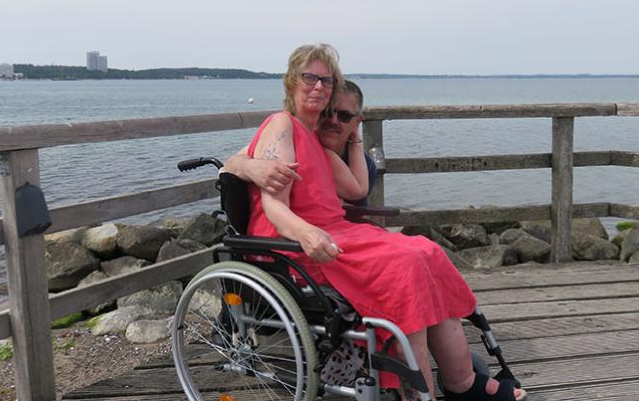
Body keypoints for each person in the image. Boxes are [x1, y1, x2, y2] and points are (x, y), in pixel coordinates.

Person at [242, 43, 525, 401]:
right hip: (295, 242)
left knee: (427, 251)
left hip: (336, 231)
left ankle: (461, 381)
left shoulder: (313, 138)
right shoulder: (281, 126)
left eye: (326, 80)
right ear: (291, 81)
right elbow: (272, 204)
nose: (318, 86)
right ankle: (419, 394)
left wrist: (353, 136)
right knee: (405, 265)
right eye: (309, 77)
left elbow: (358, 189)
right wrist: (306, 231)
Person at [225, 79, 377, 205]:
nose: (333, 120)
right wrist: (251, 167)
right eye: (326, 112)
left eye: (344, 116)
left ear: (357, 122)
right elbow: (230, 164)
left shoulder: (364, 167)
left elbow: (357, 205)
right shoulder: (293, 142)